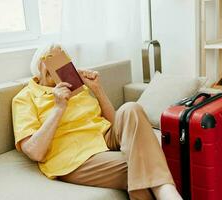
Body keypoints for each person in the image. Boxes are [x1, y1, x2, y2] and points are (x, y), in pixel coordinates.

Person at [12, 44, 182, 200]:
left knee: (131, 108)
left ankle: (166, 193)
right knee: (139, 163)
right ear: (38, 67)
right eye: (49, 59)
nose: (55, 65)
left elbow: (116, 124)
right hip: (76, 157)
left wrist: (97, 90)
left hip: (104, 138)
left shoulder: (77, 87)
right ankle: (167, 193)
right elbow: (35, 152)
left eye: (61, 59)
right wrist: (58, 109)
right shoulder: (24, 98)